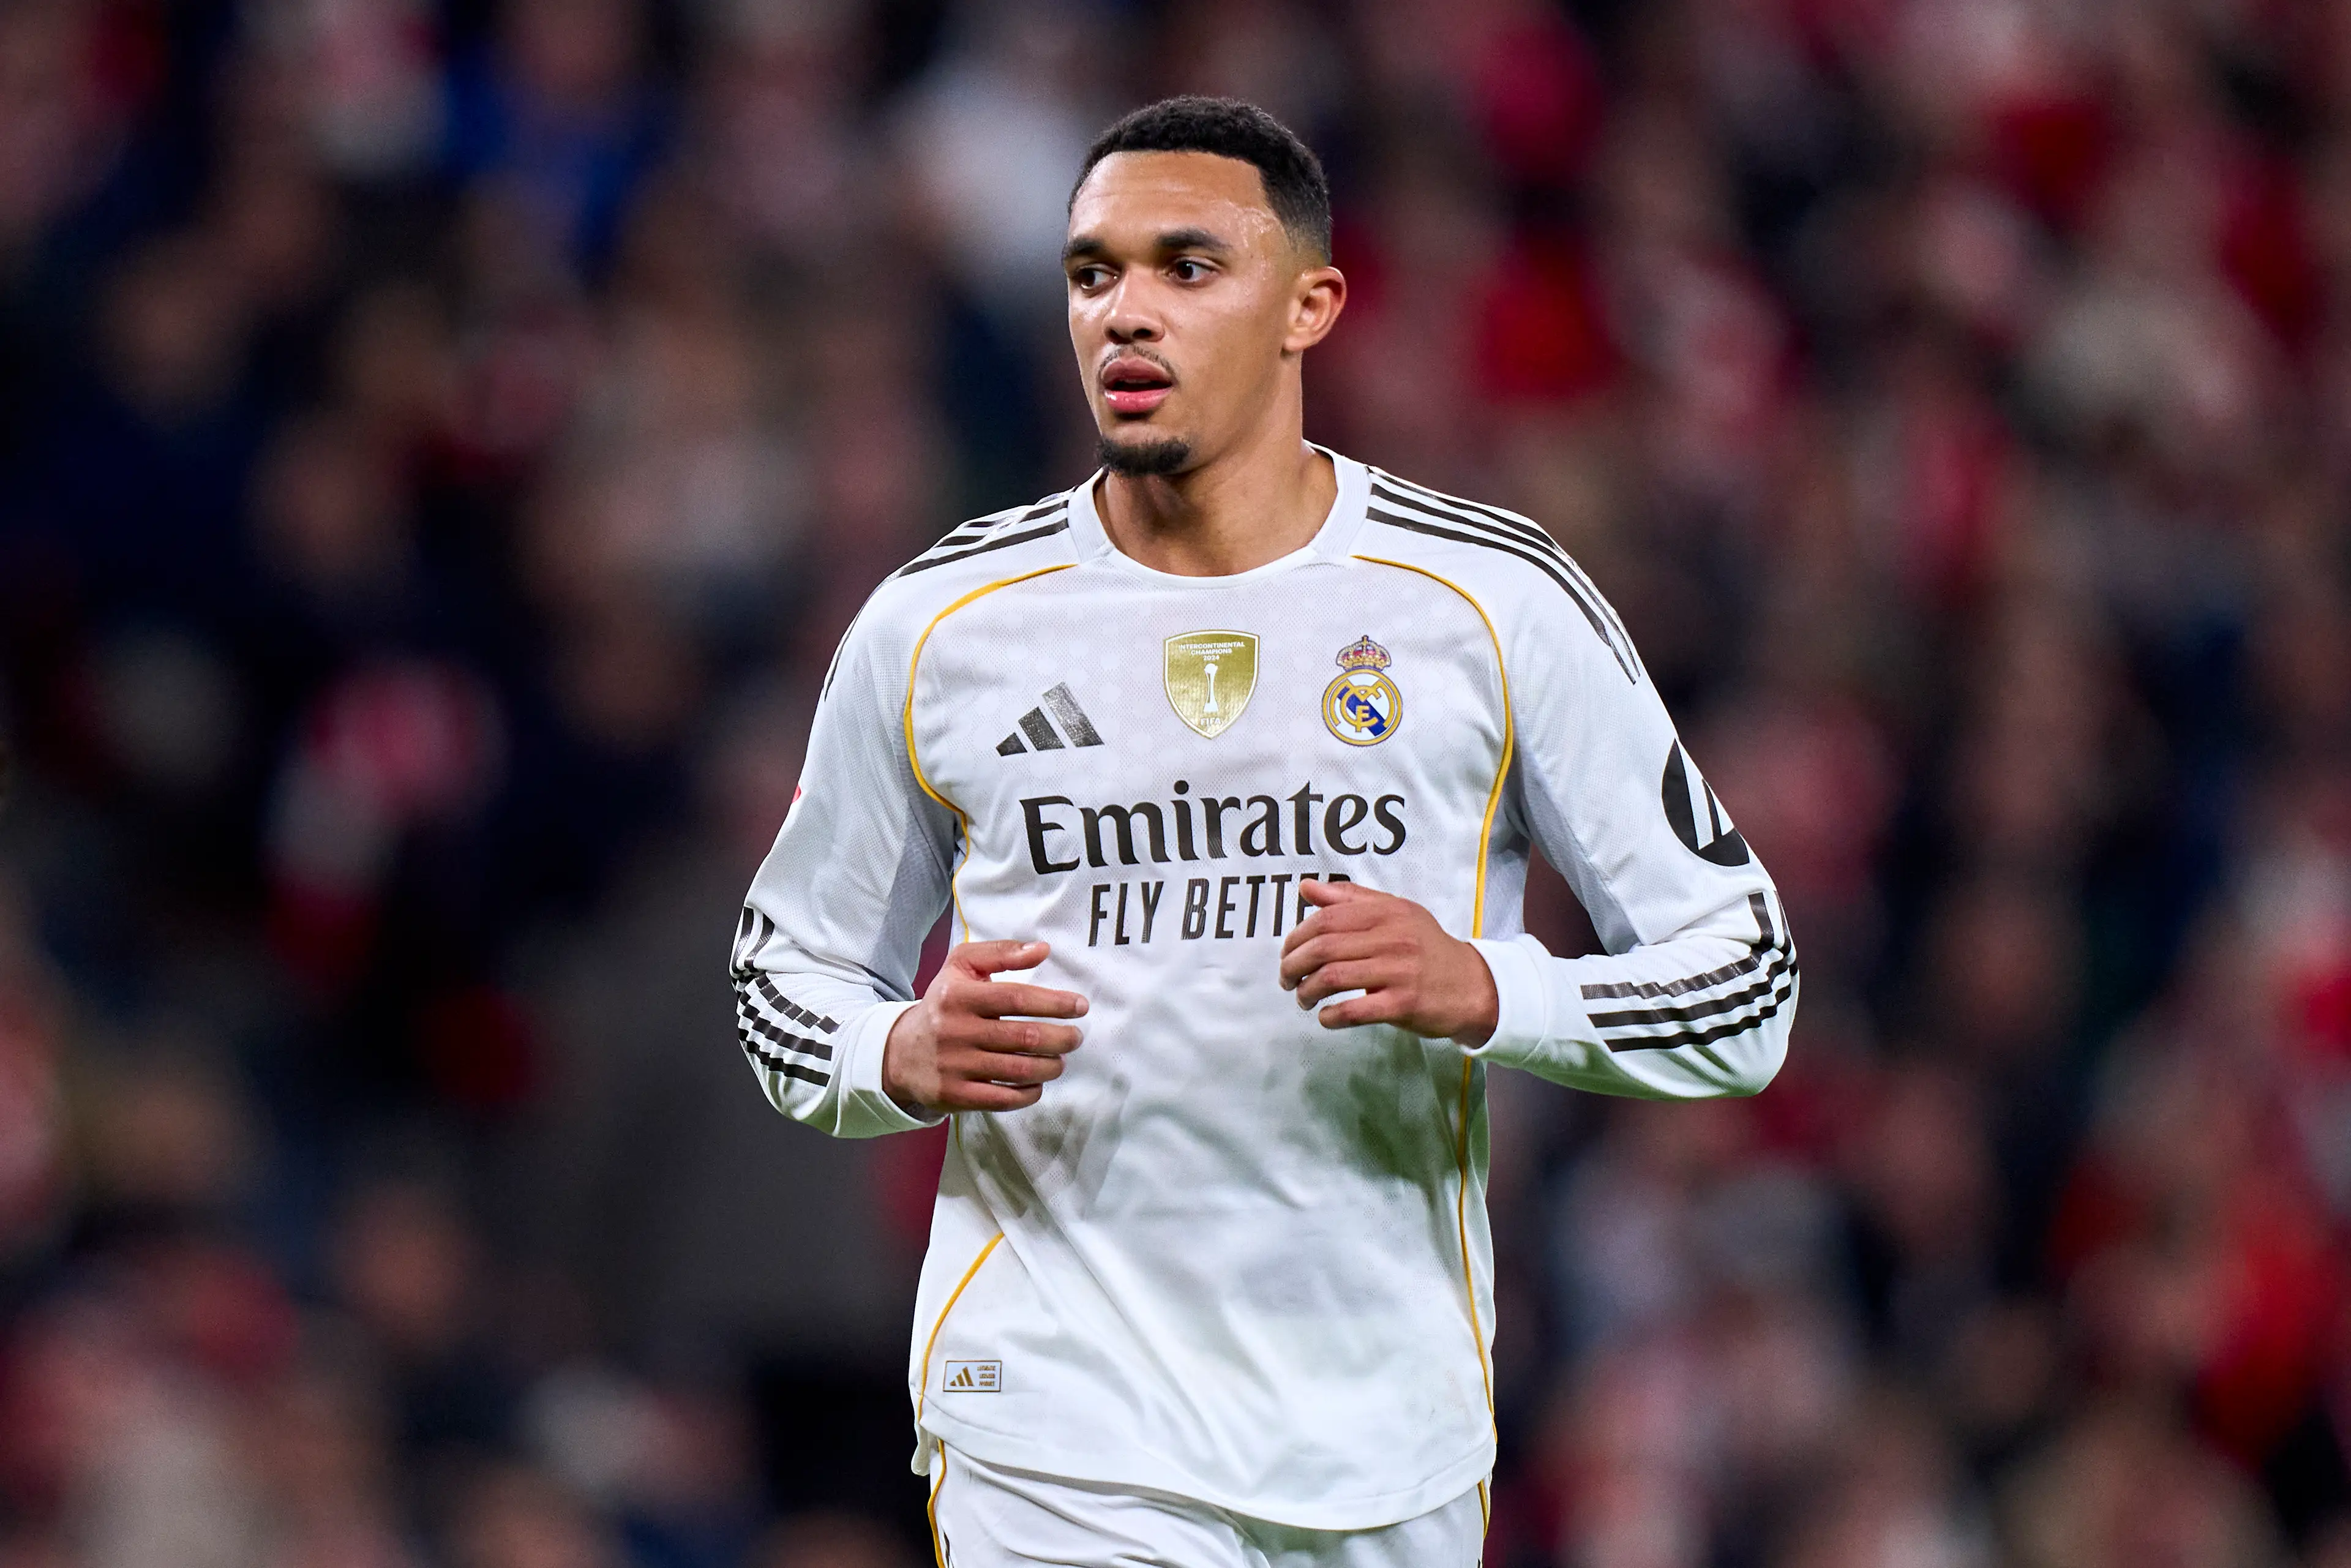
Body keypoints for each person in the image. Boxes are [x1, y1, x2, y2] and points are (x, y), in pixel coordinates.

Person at [730, 96, 1795, 1568]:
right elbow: (780, 971)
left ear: (1311, 306)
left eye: (1187, 266)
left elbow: (1745, 984)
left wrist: (1493, 986)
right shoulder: (941, 624)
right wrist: (893, 1051)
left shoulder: (1491, 603)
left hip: (1380, 1434)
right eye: (1093, 273)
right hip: (1054, 1427)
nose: (1126, 312)